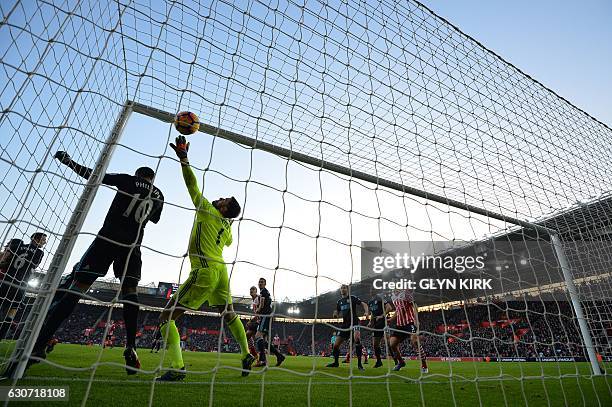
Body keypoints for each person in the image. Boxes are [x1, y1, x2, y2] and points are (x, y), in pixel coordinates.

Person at [27, 151, 164, 375]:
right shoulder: (159, 195)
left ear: (138, 174)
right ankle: (131, 347)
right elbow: (156, 219)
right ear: (153, 179)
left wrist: (69, 162)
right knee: (130, 293)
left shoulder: (128, 180)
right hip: (132, 247)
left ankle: (39, 344)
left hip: (108, 239)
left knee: (78, 287)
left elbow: (94, 175)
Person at [156, 136, 253, 381]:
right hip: (221, 270)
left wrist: (184, 159)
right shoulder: (228, 226)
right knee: (229, 313)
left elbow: (192, 186)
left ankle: (177, 367)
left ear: (222, 209)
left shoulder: (208, 211)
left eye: (223, 200)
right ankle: (245, 354)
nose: (219, 198)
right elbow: (229, 242)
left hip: (206, 269)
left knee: (165, 317)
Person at [0, 232, 47, 339]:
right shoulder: (39, 252)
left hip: (7, 281)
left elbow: (7, 260)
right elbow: (34, 266)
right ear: (35, 239)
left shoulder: (19, 247)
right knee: (10, 314)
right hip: (20, 285)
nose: (44, 242)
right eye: (43, 240)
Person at [326, 284, 368, 370]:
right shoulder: (339, 302)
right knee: (335, 345)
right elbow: (337, 311)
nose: (342, 289)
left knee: (357, 339)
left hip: (354, 322)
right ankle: (336, 362)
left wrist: (366, 312)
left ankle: (360, 365)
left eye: (344, 288)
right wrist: (335, 314)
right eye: (341, 288)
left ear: (347, 289)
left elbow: (364, 304)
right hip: (345, 324)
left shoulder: (352, 298)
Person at [387, 288, 428, 373]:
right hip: (399, 325)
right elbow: (398, 310)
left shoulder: (406, 293)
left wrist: (417, 320)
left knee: (415, 342)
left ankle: (424, 365)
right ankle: (401, 362)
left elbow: (414, 305)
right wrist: (391, 319)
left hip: (410, 323)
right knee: (392, 344)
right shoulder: (393, 296)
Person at [254, 278, 285, 367]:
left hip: (265, 316)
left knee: (258, 336)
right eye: (259, 282)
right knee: (264, 341)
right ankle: (279, 356)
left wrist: (258, 311)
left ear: (265, 284)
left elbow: (262, 304)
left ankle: (263, 360)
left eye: (262, 282)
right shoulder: (265, 292)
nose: (260, 283)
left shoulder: (263, 292)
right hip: (267, 317)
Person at [367, 286, 388, 368]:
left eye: (372, 289)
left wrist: (382, 316)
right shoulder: (370, 302)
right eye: (370, 290)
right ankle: (379, 362)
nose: (371, 291)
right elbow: (372, 313)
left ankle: (397, 361)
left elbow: (389, 307)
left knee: (390, 343)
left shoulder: (380, 298)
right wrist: (370, 322)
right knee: (375, 345)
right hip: (376, 325)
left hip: (384, 323)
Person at [245, 286, 260, 359]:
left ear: (256, 291)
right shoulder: (254, 300)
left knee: (248, 335)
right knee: (248, 335)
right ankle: (255, 355)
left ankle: (252, 354)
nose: (251, 291)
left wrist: (251, 321)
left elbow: (259, 313)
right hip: (258, 321)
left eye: (253, 290)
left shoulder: (258, 299)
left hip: (260, 321)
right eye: (250, 290)